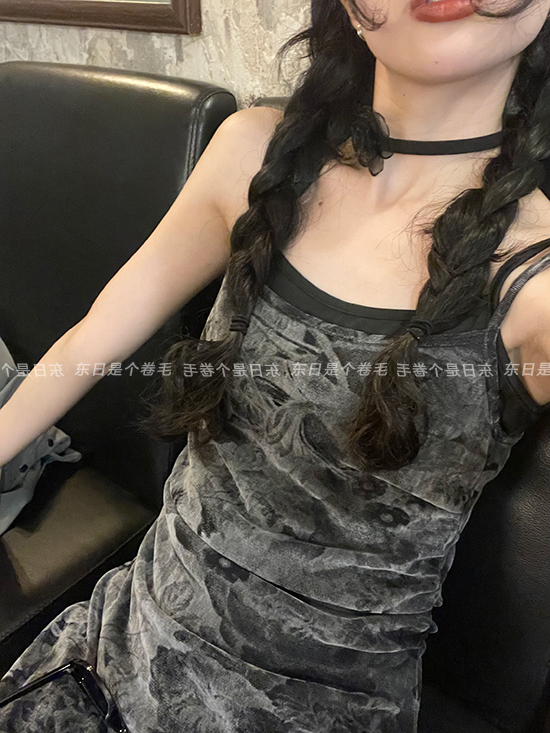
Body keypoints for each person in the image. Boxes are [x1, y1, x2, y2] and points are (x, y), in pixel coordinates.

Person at [1, 0, 550, 729]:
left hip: (314, 708)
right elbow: (89, 342)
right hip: (124, 640)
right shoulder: (255, 154)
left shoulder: (536, 279)